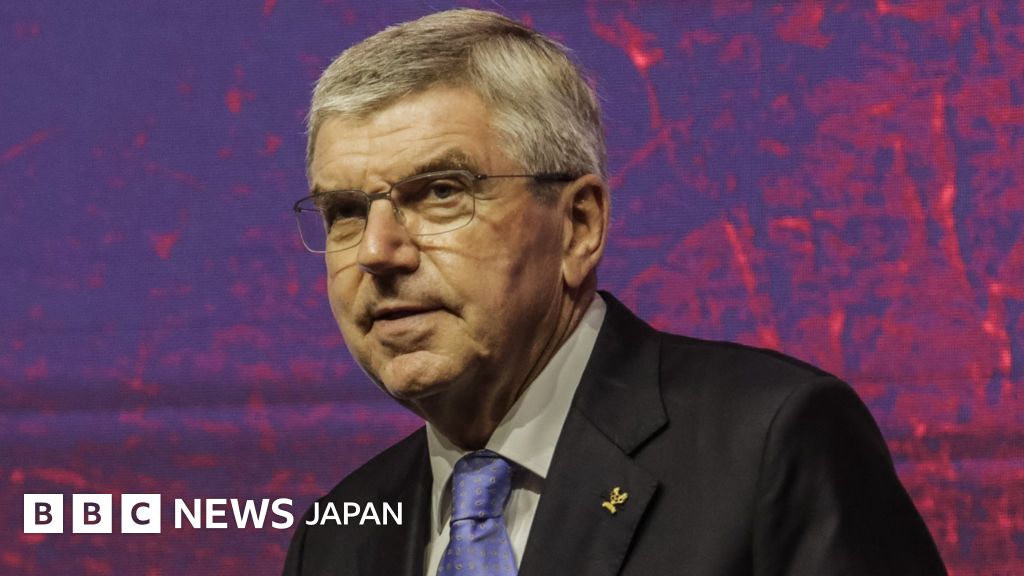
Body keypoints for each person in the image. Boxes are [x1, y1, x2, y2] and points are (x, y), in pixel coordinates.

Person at [283, 8, 947, 576]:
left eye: (440, 192)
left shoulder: (773, 443)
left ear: (578, 226)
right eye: (345, 212)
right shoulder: (335, 537)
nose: (376, 251)